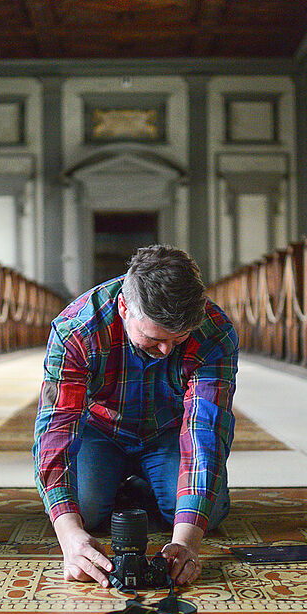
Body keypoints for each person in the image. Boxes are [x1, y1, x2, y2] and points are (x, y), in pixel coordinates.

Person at [33, 244, 238, 588]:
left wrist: (186, 543)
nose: (166, 351)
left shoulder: (213, 331)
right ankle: (121, 485)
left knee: (208, 512)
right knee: (84, 510)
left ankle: (140, 486)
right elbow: (57, 427)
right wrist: (70, 537)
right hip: (100, 431)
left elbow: (206, 431)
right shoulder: (77, 329)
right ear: (125, 308)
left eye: (179, 338)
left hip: (169, 433)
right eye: (155, 338)